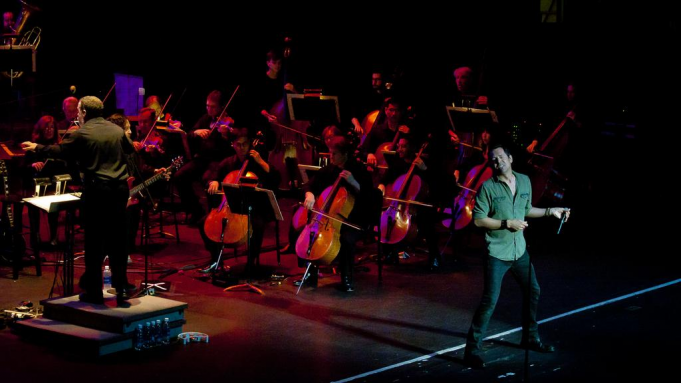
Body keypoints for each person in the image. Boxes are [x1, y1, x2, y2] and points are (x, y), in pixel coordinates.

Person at [462, 143, 570, 369]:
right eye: (493, 159)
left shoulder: (524, 181)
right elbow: (479, 219)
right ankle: (471, 351)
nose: (497, 162)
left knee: (533, 290)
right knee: (489, 301)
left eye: (501, 157)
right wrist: (505, 223)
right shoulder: (487, 188)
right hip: (497, 253)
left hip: (519, 250)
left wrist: (551, 211)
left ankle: (530, 338)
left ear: (510, 159)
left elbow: (527, 208)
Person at [21, 96, 135, 306]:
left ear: (84, 112)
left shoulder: (83, 133)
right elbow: (130, 149)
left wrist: (36, 147)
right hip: (119, 190)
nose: (77, 116)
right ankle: (121, 289)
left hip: (97, 190)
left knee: (95, 241)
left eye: (79, 112)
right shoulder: (117, 130)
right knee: (117, 240)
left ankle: (94, 292)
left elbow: (60, 151)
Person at [298, 135, 373, 292]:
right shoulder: (329, 170)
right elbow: (308, 185)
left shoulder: (359, 170)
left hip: (354, 218)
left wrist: (353, 182)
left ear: (345, 154)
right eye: (330, 153)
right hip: (329, 218)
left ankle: (346, 277)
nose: (330, 157)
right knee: (304, 229)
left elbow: (370, 197)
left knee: (346, 239)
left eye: (334, 154)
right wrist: (309, 194)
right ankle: (311, 274)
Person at [198, 128, 274, 274]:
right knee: (203, 223)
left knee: (257, 225)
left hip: (253, 207)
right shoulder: (228, 163)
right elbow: (210, 175)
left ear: (250, 144)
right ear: (232, 145)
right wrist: (213, 181)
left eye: (244, 144)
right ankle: (216, 260)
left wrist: (261, 162)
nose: (241, 148)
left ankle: (251, 262)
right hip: (229, 207)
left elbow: (274, 178)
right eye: (237, 145)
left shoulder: (257, 162)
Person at [377, 134, 442, 270]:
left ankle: (435, 256)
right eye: (399, 146)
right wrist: (382, 185)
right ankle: (389, 253)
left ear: (413, 148)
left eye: (403, 146)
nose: (399, 149)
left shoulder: (423, 163)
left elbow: (437, 184)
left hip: (419, 205)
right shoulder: (397, 164)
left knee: (427, 222)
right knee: (385, 218)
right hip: (399, 204)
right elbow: (385, 179)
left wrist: (425, 169)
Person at [173, 90, 234, 225]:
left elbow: (231, 146)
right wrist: (196, 132)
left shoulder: (228, 122)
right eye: (207, 105)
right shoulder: (205, 119)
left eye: (212, 106)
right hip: (201, 159)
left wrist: (225, 135)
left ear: (221, 107)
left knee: (208, 181)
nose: (209, 109)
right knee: (179, 177)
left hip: (217, 161)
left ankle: (213, 217)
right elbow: (189, 133)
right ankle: (196, 211)